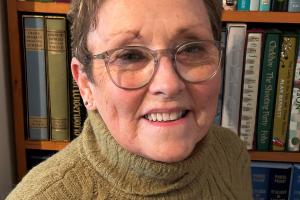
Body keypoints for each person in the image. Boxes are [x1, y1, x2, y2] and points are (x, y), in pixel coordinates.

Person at [7, 0, 252, 199]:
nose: (168, 85)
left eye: (191, 49)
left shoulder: (231, 153)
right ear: (85, 84)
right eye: (130, 55)